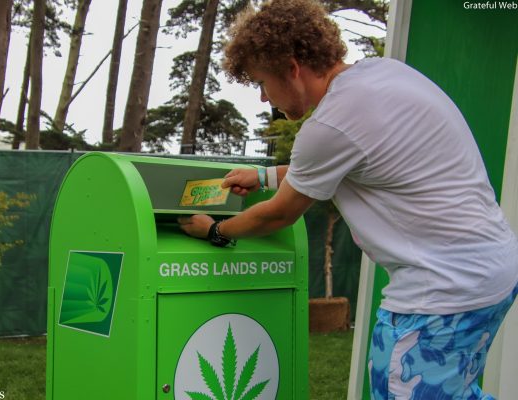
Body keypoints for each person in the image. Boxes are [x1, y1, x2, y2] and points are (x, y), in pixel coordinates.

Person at [177, 0, 518, 398]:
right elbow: (350, 162)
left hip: (442, 290)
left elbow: (279, 214)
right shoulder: (383, 74)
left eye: (262, 82)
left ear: (292, 68)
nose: (264, 98)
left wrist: (215, 230)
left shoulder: (331, 123)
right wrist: (264, 176)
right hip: (492, 270)